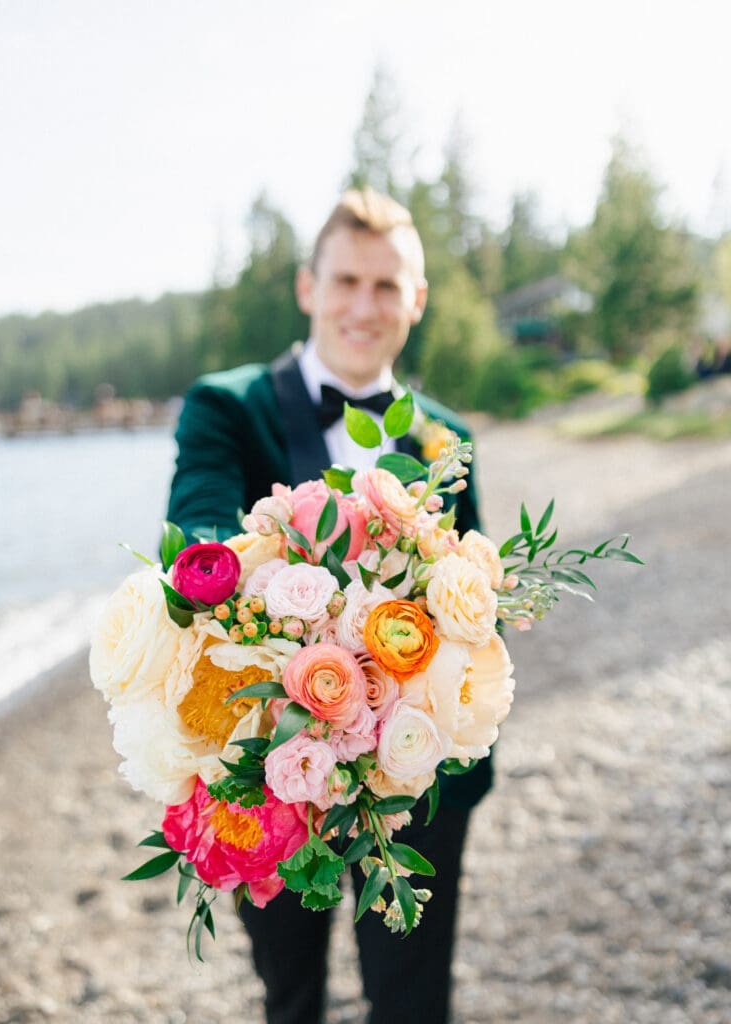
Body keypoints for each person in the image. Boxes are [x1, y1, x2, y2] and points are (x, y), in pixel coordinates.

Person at [167, 187, 493, 1024]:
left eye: (387, 287)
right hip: (273, 769)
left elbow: (475, 606)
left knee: (415, 1001)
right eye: (345, 280)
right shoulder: (227, 406)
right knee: (292, 996)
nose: (363, 305)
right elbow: (197, 531)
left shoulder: (445, 438)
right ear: (309, 289)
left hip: (418, 770)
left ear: (416, 302)